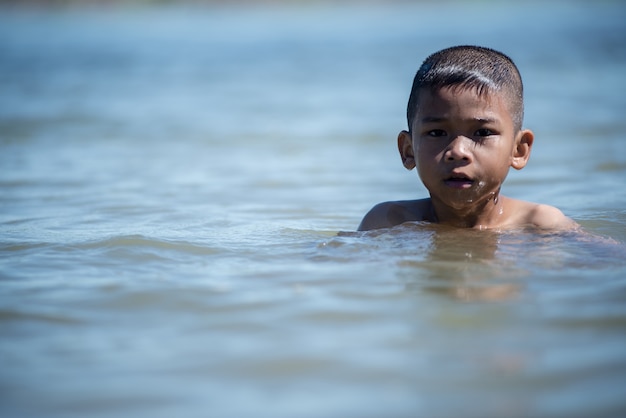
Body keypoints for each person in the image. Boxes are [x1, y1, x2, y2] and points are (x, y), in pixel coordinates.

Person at [358, 45, 579, 232]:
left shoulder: (539, 227)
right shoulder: (389, 223)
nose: (458, 151)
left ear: (519, 150)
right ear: (408, 151)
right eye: (437, 133)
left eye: (482, 133)